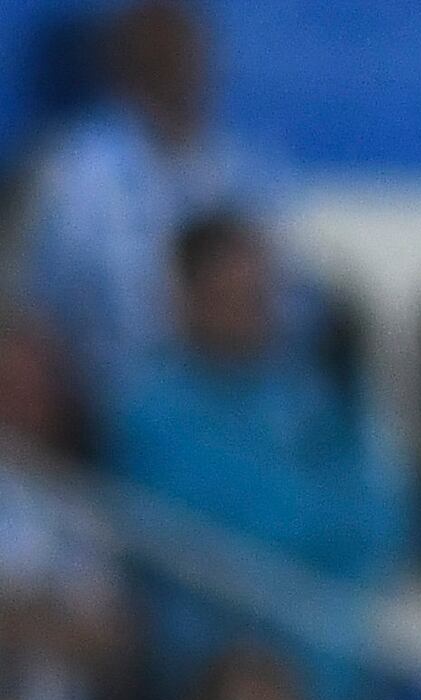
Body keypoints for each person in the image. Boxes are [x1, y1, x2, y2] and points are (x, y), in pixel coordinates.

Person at [105, 211, 402, 700]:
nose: (250, 312)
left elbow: (387, 513)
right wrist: (313, 529)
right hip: (211, 649)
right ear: (186, 298)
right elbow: (208, 540)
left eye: (258, 295)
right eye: (230, 296)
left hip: (335, 635)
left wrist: (325, 551)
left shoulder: (306, 391)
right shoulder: (148, 410)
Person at [20, 1, 292, 408]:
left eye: (182, 47)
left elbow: (289, 306)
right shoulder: (73, 174)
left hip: (236, 399)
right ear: (120, 61)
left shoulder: (243, 171)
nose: (172, 63)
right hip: (111, 409)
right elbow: (39, 315)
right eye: (153, 48)